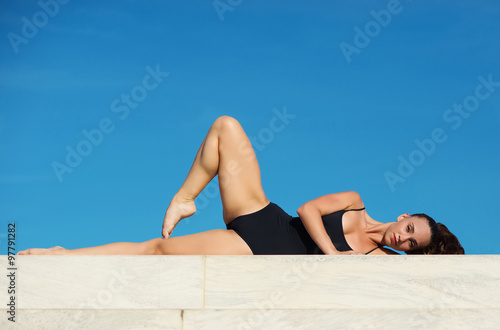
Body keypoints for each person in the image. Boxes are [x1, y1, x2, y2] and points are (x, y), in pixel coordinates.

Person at [18, 116, 464, 256]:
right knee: (226, 127)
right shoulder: (356, 203)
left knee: (156, 251)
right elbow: (308, 209)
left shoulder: (379, 262)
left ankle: (62, 255)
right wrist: (334, 258)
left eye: (410, 245)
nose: (400, 239)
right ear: (405, 217)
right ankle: (185, 197)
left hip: (260, 253)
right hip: (268, 218)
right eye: (409, 231)